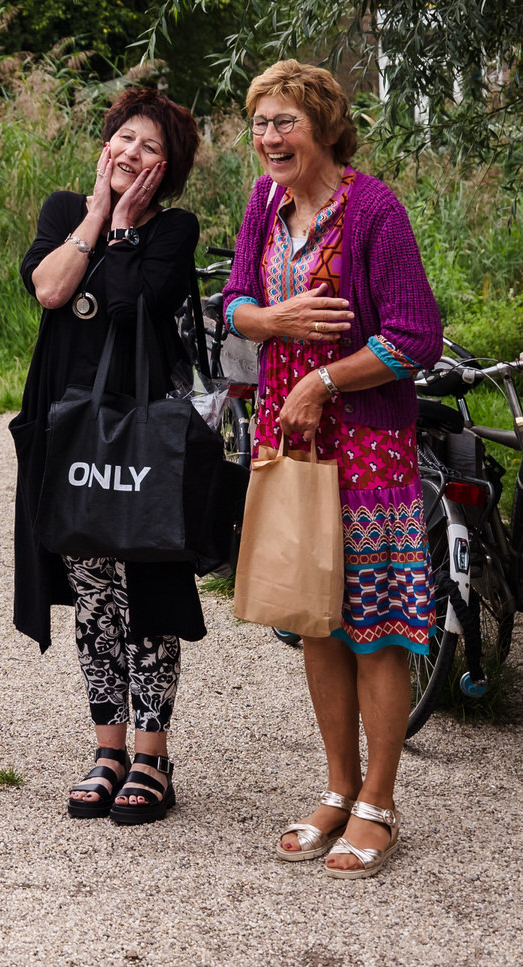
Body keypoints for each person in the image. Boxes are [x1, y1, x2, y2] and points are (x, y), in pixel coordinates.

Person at [222, 60, 442, 878]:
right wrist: (273, 320)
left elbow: (415, 336)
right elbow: (235, 303)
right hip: (292, 444)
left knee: (375, 625)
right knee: (317, 616)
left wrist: (323, 377)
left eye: (283, 122)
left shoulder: (375, 210)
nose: (267, 138)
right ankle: (337, 788)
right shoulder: (263, 204)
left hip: (369, 448)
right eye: (259, 123)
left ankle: (380, 802)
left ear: (323, 126)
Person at [11, 88, 204, 825]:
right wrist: (97, 213)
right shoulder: (64, 210)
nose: (131, 153)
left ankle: (153, 758)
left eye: (150, 147)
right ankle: (107, 750)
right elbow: (51, 288)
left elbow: (126, 303)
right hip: (68, 425)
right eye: (124, 137)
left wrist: (126, 227)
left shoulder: (174, 229)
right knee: (92, 587)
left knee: (147, 582)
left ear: (169, 168)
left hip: (142, 429)